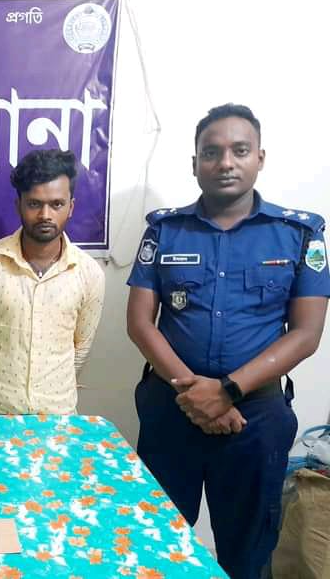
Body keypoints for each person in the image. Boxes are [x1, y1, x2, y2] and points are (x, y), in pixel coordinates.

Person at [126, 103, 330, 578]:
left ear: (260, 157)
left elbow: (306, 334)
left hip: (254, 418)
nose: (225, 163)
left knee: (247, 552)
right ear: (194, 163)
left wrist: (227, 391)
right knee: (158, 545)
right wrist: (195, 394)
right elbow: (140, 322)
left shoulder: (298, 234)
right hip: (171, 409)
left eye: (239, 150)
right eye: (211, 152)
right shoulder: (165, 230)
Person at [0, 149, 105, 414]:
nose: (45, 215)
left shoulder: (88, 272)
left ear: (71, 207)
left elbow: (81, 348)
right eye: (34, 204)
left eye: (57, 204)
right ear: (18, 205)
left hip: (58, 417)